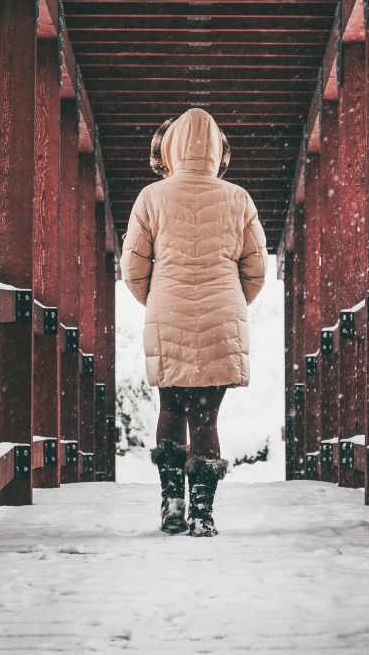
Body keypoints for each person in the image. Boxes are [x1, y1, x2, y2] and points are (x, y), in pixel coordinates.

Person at [122, 108, 267, 537]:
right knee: (206, 418)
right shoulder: (238, 198)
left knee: (171, 408)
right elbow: (255, 270)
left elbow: (133, 269)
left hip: (167, 312)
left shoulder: (152, 197)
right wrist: (232, 301)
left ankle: (172, 504)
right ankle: (203, 513)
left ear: (170, 147)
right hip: (224, 317)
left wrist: (158, 299)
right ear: (219, 151)